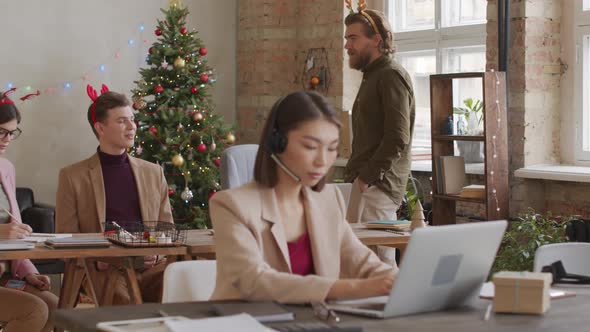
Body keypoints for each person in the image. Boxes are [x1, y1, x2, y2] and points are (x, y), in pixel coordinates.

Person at [210, 91, 395, 304]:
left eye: (332, 148)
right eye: (310, 147)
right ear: (277, 143)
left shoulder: (328, 198)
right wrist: (353, 288)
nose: (322, 160)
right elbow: (254, 281)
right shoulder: (232, 205)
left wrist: (396, 279)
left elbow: (362, 262)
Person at [55, 85, 173, 304]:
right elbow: (65, 239)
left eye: (132, 119)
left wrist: (157, 253)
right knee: (124, 305)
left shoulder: (154, 172)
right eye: (121, 121)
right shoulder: (72, 176)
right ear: (100, 128)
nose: (132, 127)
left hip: (151, 268)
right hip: (103, 270)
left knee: (186, 284)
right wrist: (97, 259)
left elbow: (166, 228)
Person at [343, 8, 415, 228]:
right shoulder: (373, 75)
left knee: (380, 260)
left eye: (353, 38)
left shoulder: (389, 75)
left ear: (376, 40)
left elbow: (397, 137)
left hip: (377, 187)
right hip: (368, 184)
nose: (347, 45)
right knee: (362, 259)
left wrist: (366, 178)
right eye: (347, 39)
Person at [0, 90, 57, 332]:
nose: (7, 139)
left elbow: (16, 234)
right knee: (34, 310)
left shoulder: (6, 168)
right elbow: (6, 232)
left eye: (12, 132)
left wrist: (28, 274)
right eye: (1, 131)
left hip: (4, 275)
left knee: (56, 307)